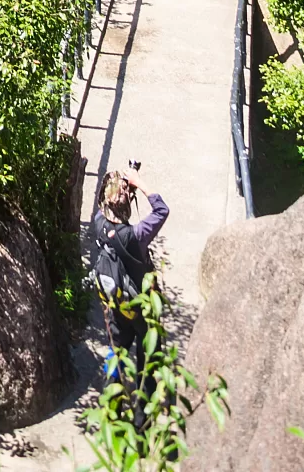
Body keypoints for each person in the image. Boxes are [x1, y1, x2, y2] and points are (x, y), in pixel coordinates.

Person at [89, 160, 169, 424]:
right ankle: (141, 426)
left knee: (117, 353)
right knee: (147, 365)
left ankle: (111, 410)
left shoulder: (98, 223)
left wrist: (121, 186)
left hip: (116, 304)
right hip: (142, 308)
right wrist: (139, 184)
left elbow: (105, 199)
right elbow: (161, 210)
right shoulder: (135, 235)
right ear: (126, 203)